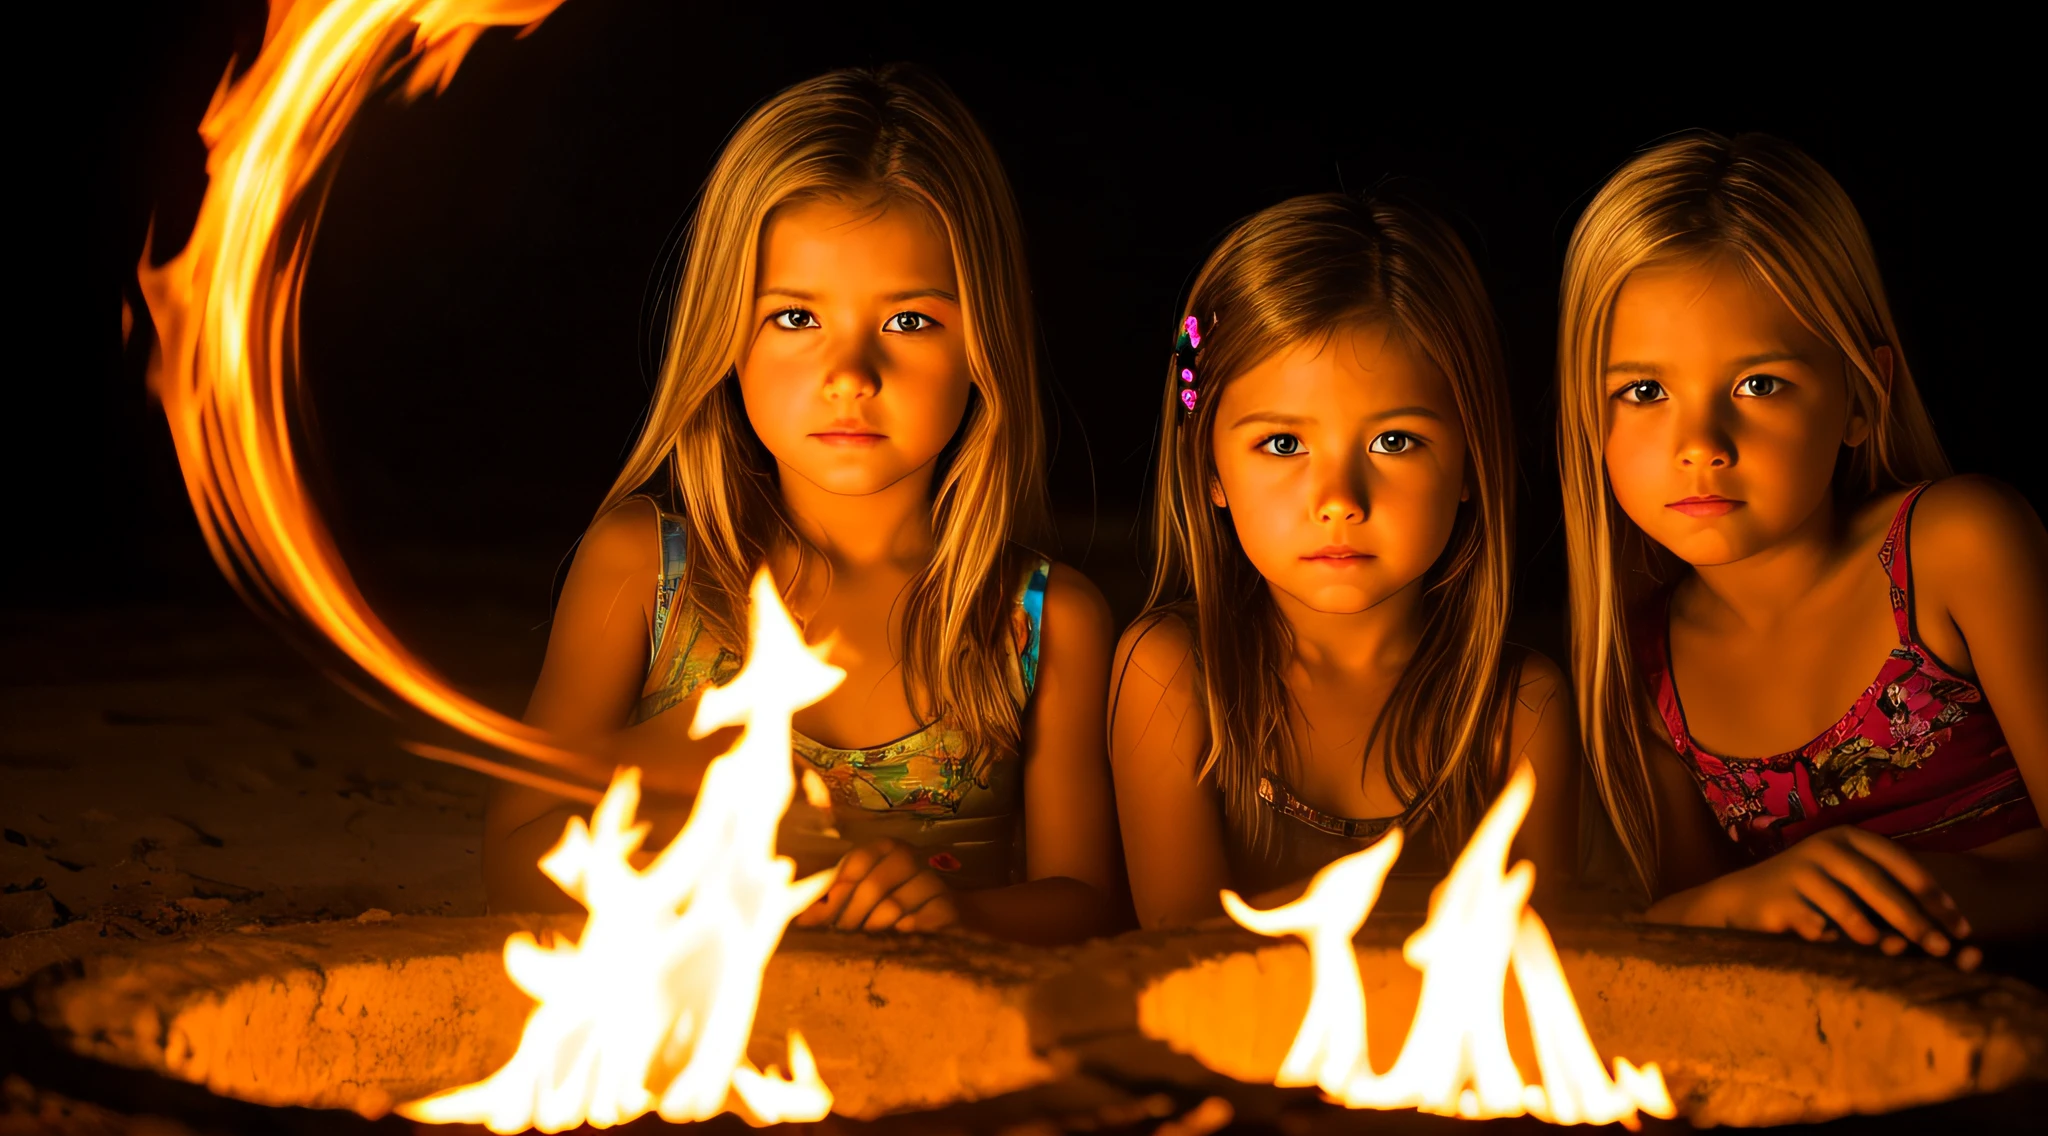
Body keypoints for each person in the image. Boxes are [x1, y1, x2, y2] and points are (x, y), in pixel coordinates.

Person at [484, 66, 1121, 945]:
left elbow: (1088, 900)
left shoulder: (1040, 623)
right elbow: (514, 858)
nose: (851, 374)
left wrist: (963, 913)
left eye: (909, 322)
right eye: (794, 318)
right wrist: (700, 847)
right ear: (725, 334)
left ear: (984, 344)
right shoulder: (648, 573)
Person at [1556, 132, 2047, 962]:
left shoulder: (1957, 550)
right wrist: (1749, 898)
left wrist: (1911, 898)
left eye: (1759, 385)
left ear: (1862, 397)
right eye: (1644, 392)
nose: (1701, 442)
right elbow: (1691, 937)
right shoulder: (1644, 673)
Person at [1110, 192, 1578, 929]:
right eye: (1283, 444)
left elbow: (1538, 973)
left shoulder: (1517, 712)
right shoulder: (1173, 676)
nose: (1338, 500)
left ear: (1469, 463)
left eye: (1394, 441)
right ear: (1209, 469)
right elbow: (1181, 959)